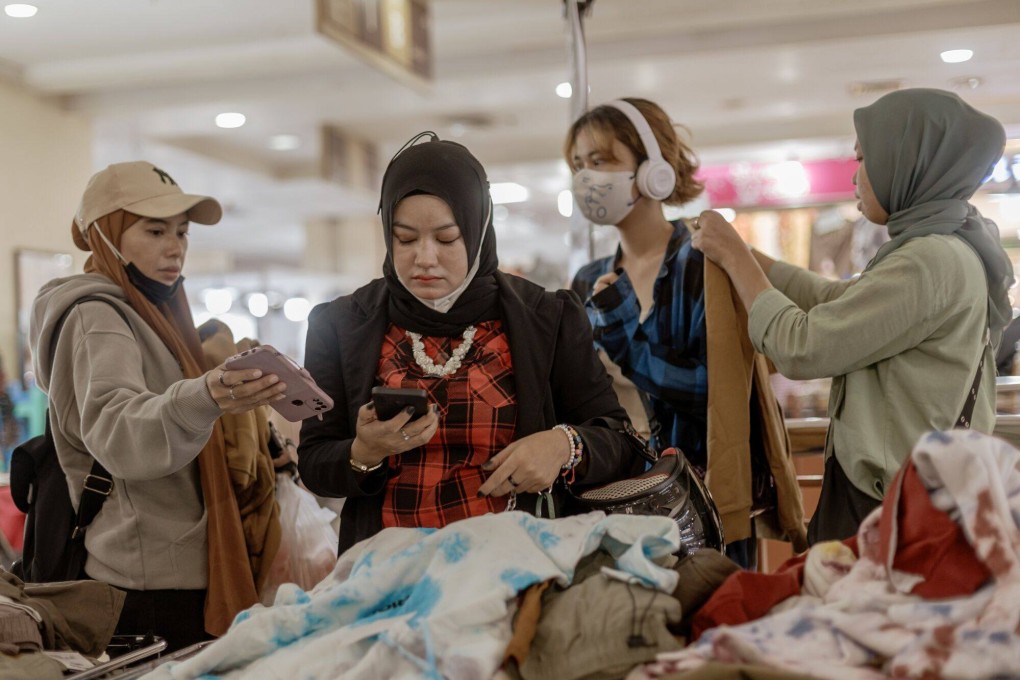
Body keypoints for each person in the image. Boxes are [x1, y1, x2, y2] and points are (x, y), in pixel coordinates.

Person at [297, 133, 648, 555]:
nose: (424, 258)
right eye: (405, 238)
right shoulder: (340, 325)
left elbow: (620, 442)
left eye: (447, 239)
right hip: (388, 580)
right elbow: (315, 463)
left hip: (515, 575)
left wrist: (561, 446)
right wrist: (362, 453)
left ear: (480, 230)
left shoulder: (546, 319)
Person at [691, 88, 1013, 543]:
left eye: (864, 160)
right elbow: (839, 302)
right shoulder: (944, 248)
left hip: (887, 511)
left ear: (907, 162)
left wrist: (735, 259)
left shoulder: (928, 259)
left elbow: (803, 347)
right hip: (902, 496)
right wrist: (753, 259)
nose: (855, 178)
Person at [30, 161, 287, 650]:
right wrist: (208, 395)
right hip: (147, 584)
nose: (176, 247)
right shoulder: (97, 316)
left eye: (182, 232)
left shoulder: (158, 314)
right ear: (108, 234)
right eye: (154, 230)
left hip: (178, 572)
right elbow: (120, 432)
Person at [566, 98, 763, 567]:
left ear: (653, 169)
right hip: (615, 503)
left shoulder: (703, 262)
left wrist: (623, 333)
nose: (587, 178)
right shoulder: (587, 280)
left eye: (602, 161)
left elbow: (716, 392)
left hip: (702, 502)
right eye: (577, 165)